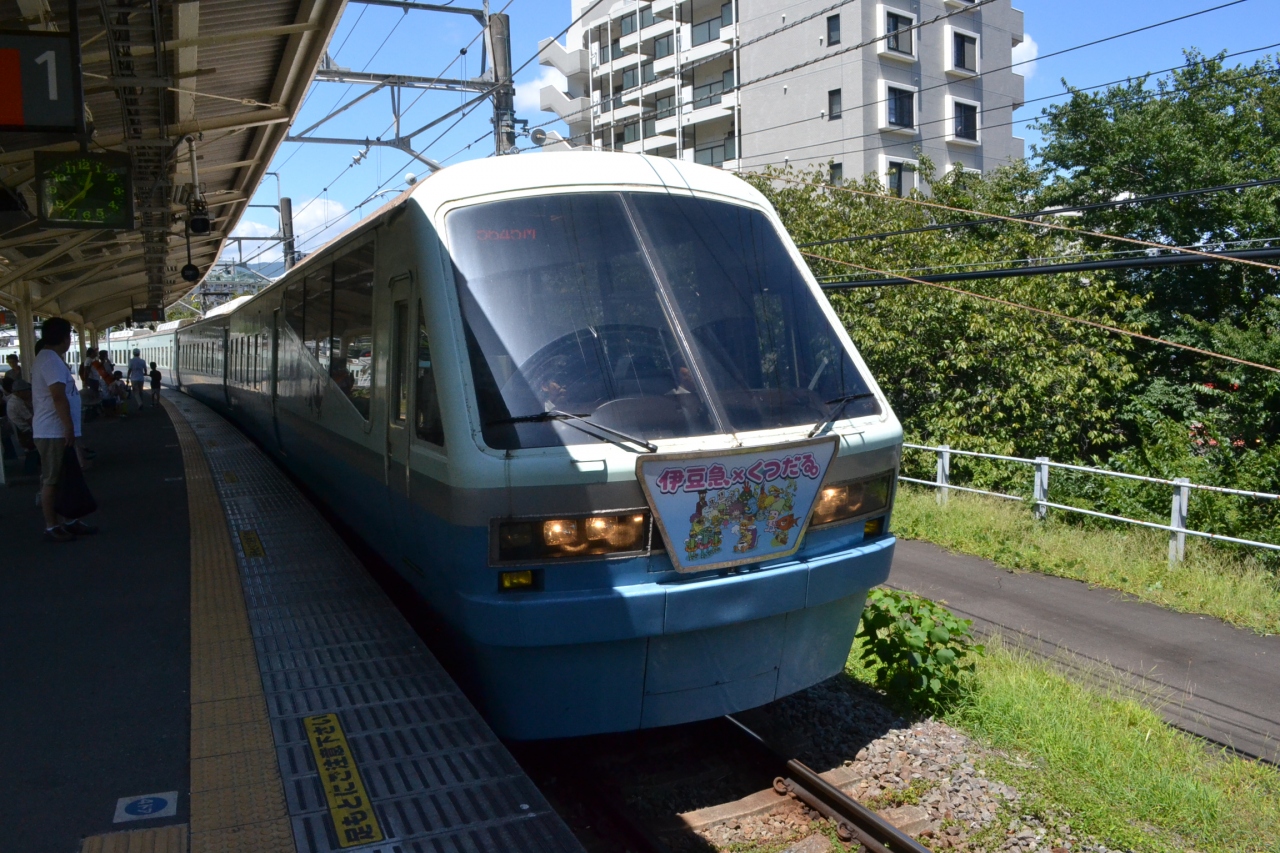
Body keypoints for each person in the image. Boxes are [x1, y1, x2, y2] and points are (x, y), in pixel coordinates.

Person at [30, 318, 96, 541]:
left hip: (56, 430)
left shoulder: (50, 358)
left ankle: (69, 521)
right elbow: (58, 397)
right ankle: (52, 526)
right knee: (52, 479)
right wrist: (68, 427)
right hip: (53, 431)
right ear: (65, 337)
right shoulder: (50, 360)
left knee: (66, 477)